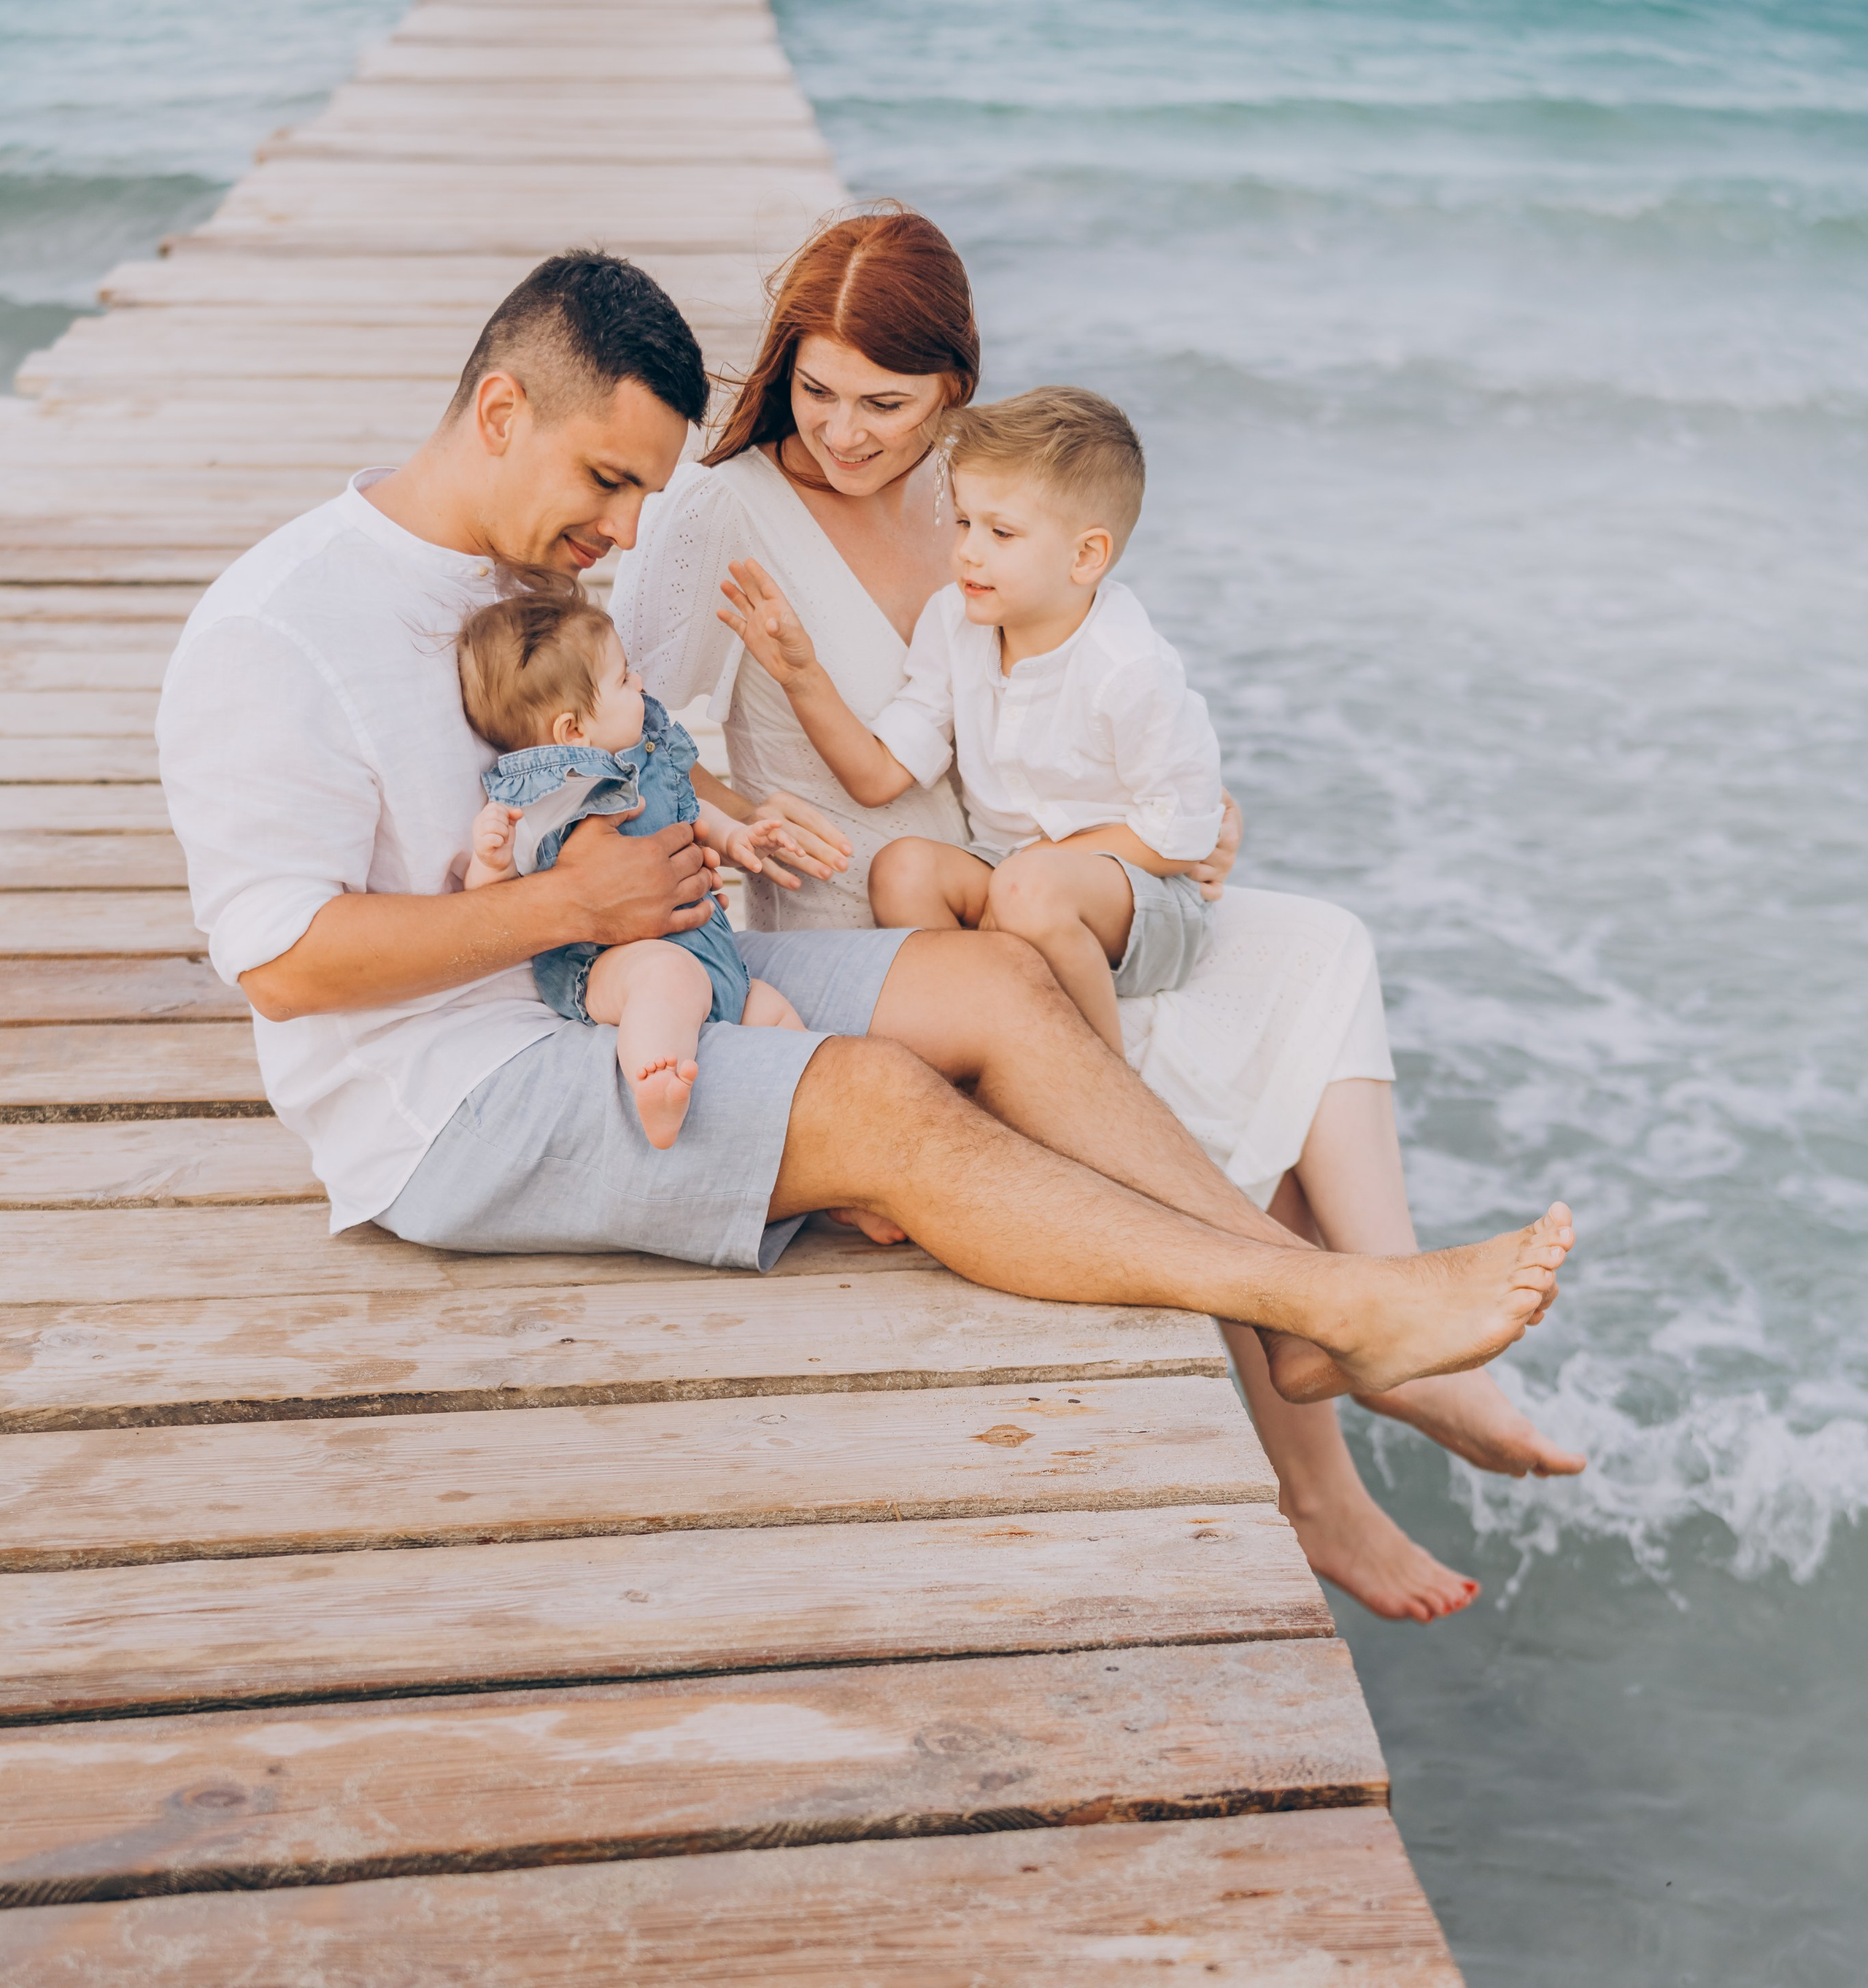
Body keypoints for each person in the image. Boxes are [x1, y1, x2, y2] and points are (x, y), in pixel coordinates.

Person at [155, 246, 1574, 1457]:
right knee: (883, 1102)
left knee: (993, 988)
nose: (627, 533)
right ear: (499, 409)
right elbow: (279, 965)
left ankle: (1299, 1313)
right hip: (450, 1102)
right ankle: (1339, 1304)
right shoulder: (278, 630)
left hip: (638, 964)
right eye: (605, 482)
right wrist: (566, 904)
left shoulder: (534, 566)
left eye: (648, 494)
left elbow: (650, 750)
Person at [616, 204, 1586, 1624]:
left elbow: (1077, 676)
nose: (841, 432)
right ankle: (1365, 1392)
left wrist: (1167, 825)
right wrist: (731, 812)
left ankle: (1368, 1341)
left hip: (1016, 885)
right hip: (859, 935)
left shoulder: (970, 487)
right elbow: (634, 730)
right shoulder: (728, 513)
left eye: (884, 403)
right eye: (812, 390)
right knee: (1196, 1090)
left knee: (1310, 951)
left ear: (954, 385)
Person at [720, 385, 1224, 1060]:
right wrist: (801, 676)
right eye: (962, 523)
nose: (968, 553)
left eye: (1001, 533)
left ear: (1086, 557)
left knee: (1028, 888)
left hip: (1142, 902)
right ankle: (986, 1036)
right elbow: (878, 775)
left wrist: (1040, 870)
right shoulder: (954, 624)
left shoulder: (1129, 666)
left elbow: (1184, 834)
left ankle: (1101, 1080)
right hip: (1010, 876)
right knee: (902, 871)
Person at [457, 577, 803, 1150]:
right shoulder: (547, 793)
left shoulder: (649, 753)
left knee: (772, 1012)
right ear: (573, 730)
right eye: (623, 679)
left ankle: (803, 1127)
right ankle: (655, 1079)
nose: (639, 684)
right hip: (607, 968)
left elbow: (693, 813)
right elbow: (489, 902)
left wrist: (736, 836)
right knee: (665, 979)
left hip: (715, 959)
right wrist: (490, 860)